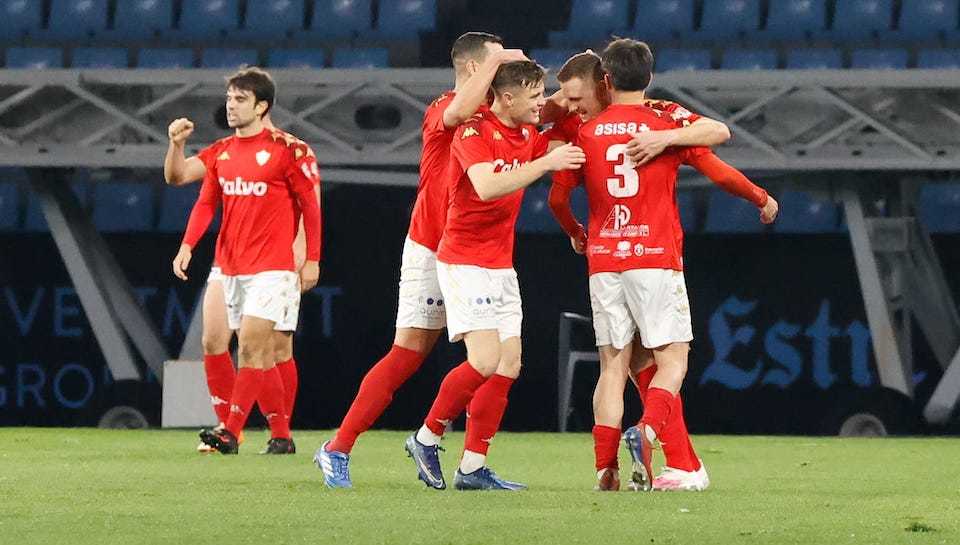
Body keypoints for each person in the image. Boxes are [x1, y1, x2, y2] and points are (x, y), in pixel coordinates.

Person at [553, 41, 777, 491]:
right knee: (672, 358)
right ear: (649, 78)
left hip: (604, 260)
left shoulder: (586, 130)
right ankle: (647, 433)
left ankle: (606, 469)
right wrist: (761, 198)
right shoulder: (664, 122)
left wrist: (578, 232)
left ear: (606, 81)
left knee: (613, 365)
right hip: (654, 257)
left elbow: (558, 197)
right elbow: (718, 165)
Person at [315, 32, 526, 488]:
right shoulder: (443, 108)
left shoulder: (503, 116)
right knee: (408, 354)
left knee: (503, 359)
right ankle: (337, 448)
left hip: (480, 252)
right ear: (474, 68)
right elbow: (458, 112)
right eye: (495, 60)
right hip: (432, 247)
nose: (505, 65)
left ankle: (473, 465)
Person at [404, 60, 586, 491]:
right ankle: (425, 437)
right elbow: (486, 186)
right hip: (464, 261)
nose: (542, 103)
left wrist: (589, 75)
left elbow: (562, 101)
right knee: (483, 361)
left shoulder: (526, 129)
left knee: (508, 364)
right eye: (535, 95)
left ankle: (471, 467)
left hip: (500, 264)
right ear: (507, 98)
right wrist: (548, 162)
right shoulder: (472, 131)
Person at [170, 67, 322, 455]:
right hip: (229, 264)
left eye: (240, 99)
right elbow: (191, 189)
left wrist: (311, 259)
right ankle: (276, 436)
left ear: (262, 105)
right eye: (229, 99)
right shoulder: (221, 152)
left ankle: (233, 432)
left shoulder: (290, 150)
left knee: (262, 349)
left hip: (273, 266)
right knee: (214, 340)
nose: (231, 106)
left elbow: (311, 206)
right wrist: (188, 244)